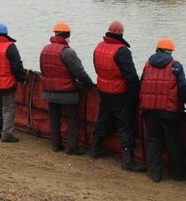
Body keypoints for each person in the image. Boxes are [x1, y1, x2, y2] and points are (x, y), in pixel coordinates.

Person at [91, 21, 145, 172]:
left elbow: (96, 67)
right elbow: (131, 77)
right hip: (120, 95)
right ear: (121, 33)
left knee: (103, 121)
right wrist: (135, 96)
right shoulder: (122, 51)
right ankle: (128, 161)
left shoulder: (99, 47)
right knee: (126, 127)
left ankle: (94, 148)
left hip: (103, 92)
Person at [139, 38, 186, 182]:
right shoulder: (176, 66)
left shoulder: (147, 64)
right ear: (171, 51)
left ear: (157, 49)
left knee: (153, 142)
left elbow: (141, 84)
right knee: (174, 144)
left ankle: (155, 174)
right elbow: (184, 88)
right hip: (169, 113)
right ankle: (178, 174)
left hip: (149, 111)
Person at [40, 22, 93, 155]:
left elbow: (43, 70)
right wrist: (90, 84)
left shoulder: (45, 49)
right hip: (67, 93)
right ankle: (72, 147)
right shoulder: (67, 52)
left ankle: (56, 145)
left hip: (50, 92)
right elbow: (79, 72)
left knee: (54, 119)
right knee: (72, 120)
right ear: (67, 36)